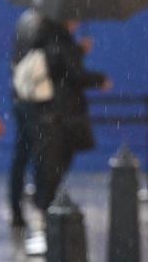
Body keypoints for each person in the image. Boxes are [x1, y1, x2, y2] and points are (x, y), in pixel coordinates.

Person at [30, 18, 111, 214]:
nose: (75, 22)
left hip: (48, 108)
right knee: (59, 156)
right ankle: (46, 202)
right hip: (64, 109)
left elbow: (61, 68)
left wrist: (79, 51)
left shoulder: (47, 42)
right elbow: (74, 75)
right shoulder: (62, 44)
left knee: (50, 155)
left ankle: (43, 200)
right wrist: (99, 79)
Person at [8, 8, 45, 229]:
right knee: (42, 157)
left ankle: (16, 207)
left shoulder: (24, 20)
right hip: (38, 102)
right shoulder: (47, 24)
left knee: (21, 155)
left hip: (20, 97)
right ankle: (42, 206)